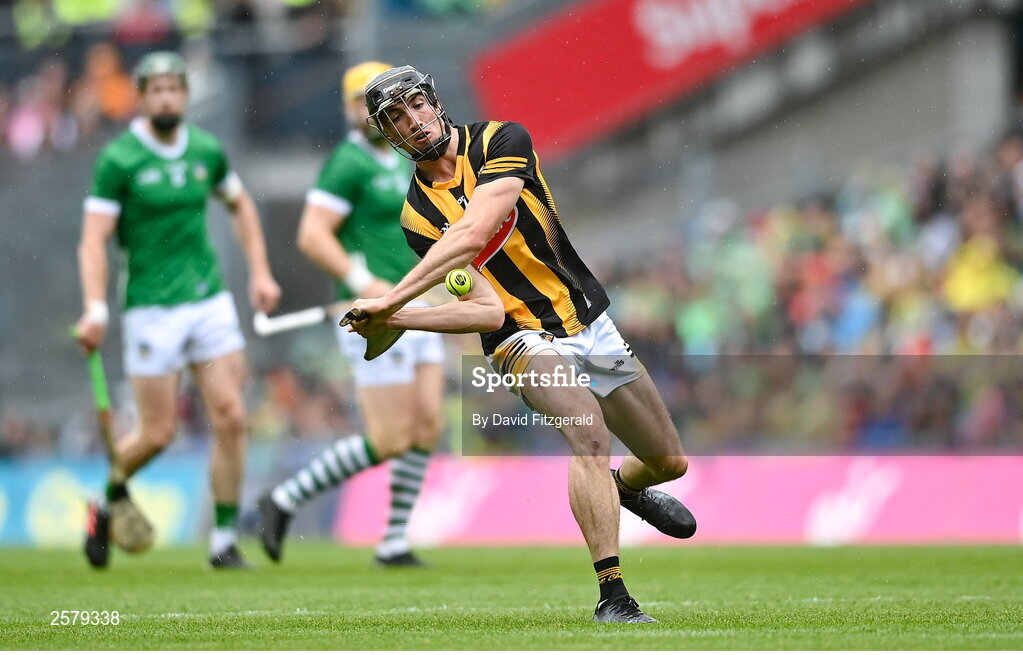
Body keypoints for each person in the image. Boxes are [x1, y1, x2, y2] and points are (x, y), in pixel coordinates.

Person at [346, 65, 697, 623]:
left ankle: (619, 490)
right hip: (519, 338)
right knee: (587, 431)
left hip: (587, 322)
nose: (412, 122)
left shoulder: (503, 140)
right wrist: (407, 317)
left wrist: (388, 305)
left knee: (668, 460)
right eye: (395, 118)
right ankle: (613, 596)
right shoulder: (416, 218)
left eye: (416, 105)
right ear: (388, 135)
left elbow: (474, 232)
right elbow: (485, 309)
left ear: (435, 102)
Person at [75, 51, 281, 570]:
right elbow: (93, 242)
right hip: (151, 310)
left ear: (185, 95)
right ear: (142, 97)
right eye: (156, 90)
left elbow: (241, 205)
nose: (166, 97)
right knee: (158, 432)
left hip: (209, 301)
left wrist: (259, 272)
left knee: (232, 416)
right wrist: (95, 308)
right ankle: (103, 502)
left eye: (174, 89)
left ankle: (223, 541)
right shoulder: (119, 159)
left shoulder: (207, 150)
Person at [255, 61, 445, 567]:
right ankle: (283, 499)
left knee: (426, 425)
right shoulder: (347, 162)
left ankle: (394, 540)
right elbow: (312, 235)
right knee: (388, 438)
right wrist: (363, 283)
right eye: (363, 99)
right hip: (376, 312)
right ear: (347, 109)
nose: (373, 107)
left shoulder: (407, 155)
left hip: (420, 301)